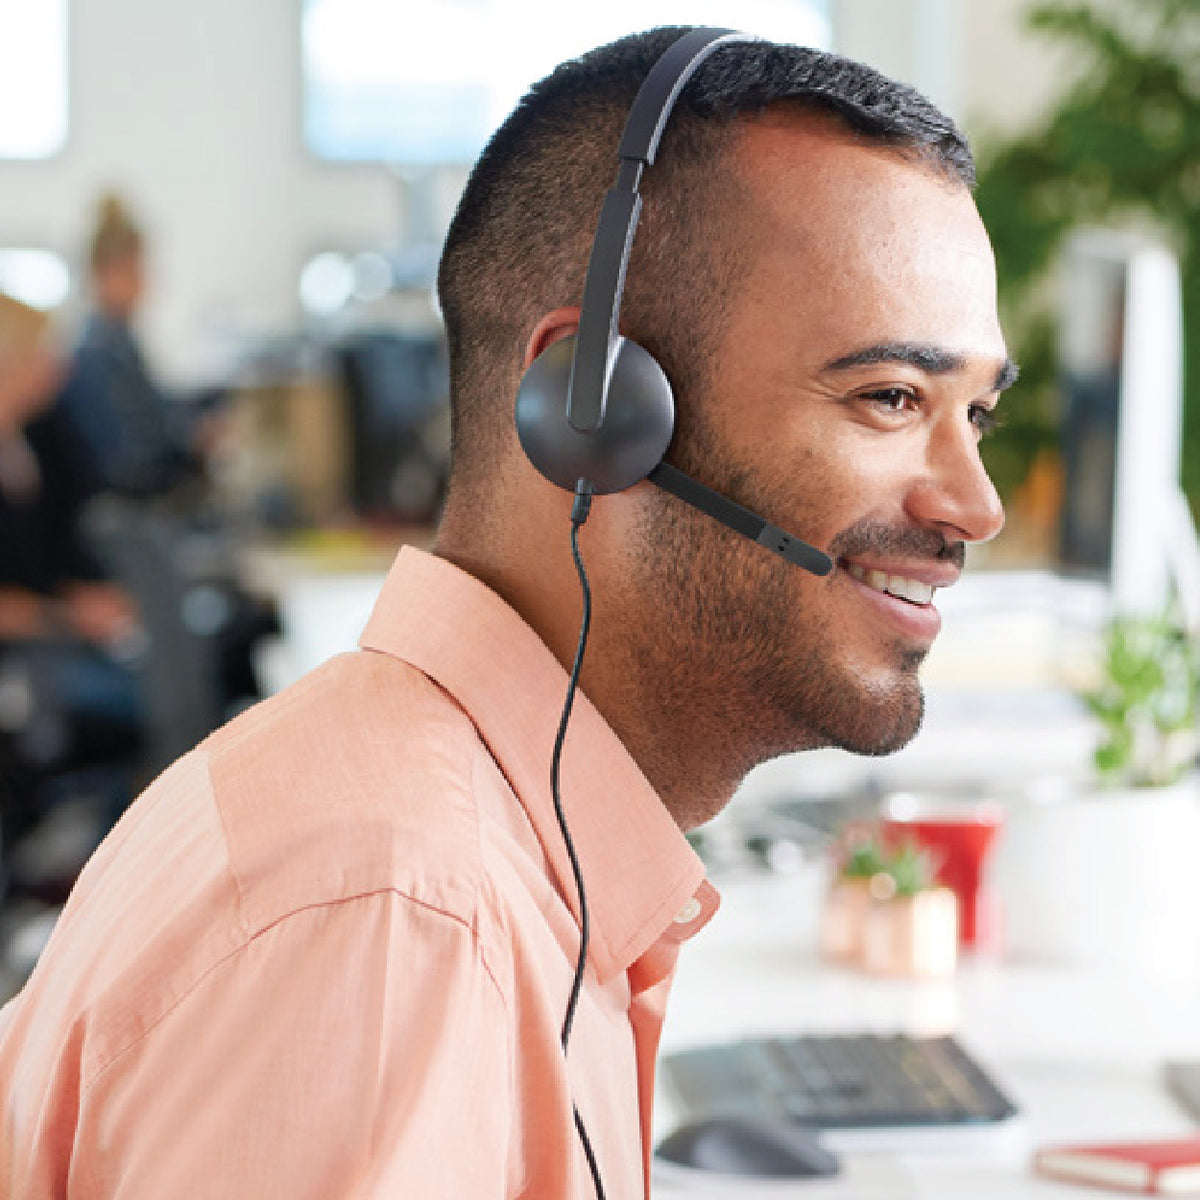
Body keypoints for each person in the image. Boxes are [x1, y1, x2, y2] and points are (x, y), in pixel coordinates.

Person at [0, 27, 1012, 1197]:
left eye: (976, 414)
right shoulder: (400, 927)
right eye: (891, 397)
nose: (975, 506)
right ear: (594, 412)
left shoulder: (481, 858)